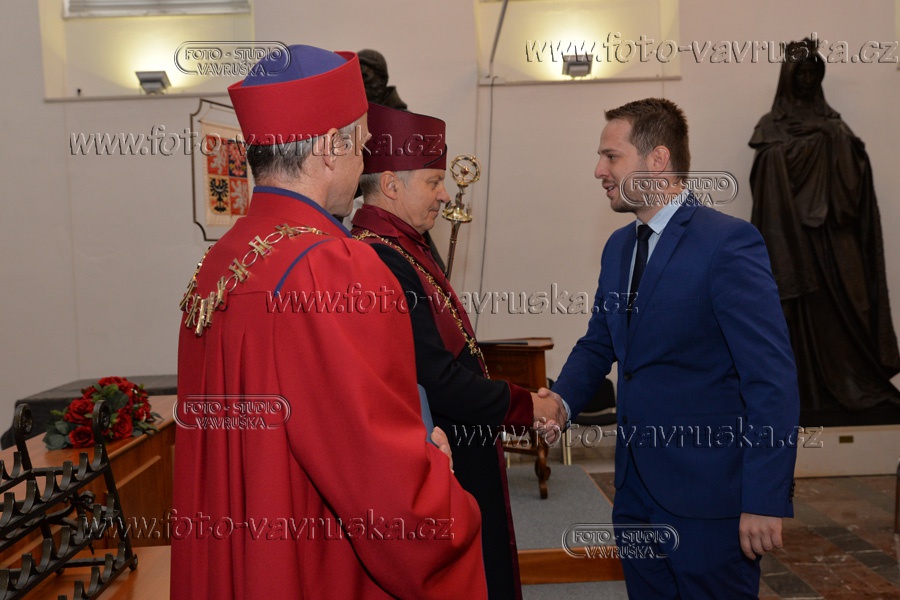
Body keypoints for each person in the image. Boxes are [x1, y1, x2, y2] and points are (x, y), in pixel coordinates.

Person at [173, 45, 488, 600]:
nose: (364, 165)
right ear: (328, 148)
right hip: (318, 560)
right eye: (361, 146)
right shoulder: (332, 265)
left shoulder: (221, 260)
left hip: (244, 553)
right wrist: (438, 487)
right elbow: (377, 470)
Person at [540, 98, 800, 599]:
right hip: (635, 495)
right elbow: (599, 343)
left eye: (611, 156)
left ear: (657, 160)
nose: (599, 170)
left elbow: (771, 380)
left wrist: (765, 498)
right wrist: (561, 402)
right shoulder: (618, 247)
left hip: (709, 501)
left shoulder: (728, 244)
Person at [351, 102, 566, 599]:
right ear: (391, 184)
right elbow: (437, 379)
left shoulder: (407, 244)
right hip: (441, 453)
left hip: (464, 439)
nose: (445, 194)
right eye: (433, 181)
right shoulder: (380, 257)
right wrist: (526, 406)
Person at [749, 38, 900, 421]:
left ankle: (858, 382)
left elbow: (856, 187)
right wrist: (798, 152)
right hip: (793, 239)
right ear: (788, 76)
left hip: (835, 234)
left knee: (855, 305)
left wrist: (837, 143)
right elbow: (764, 175)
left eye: (812, 73)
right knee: (799, 315)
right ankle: (808, 395)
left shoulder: (836, 126)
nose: (806, 79)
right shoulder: (771, 126)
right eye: (800, 72)